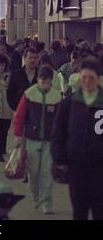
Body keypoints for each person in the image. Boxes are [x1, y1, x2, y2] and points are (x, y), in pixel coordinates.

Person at [51, 59, 103, 220]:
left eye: (91, 77)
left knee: (100, 210)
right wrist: (59, 158)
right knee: (79, 210)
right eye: (84, 77)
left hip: (100, 168)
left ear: (99, 78)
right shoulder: (70, 102)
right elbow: (58, 132)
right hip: (76, 166)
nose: (87, 81)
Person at [14, 65, 62, 215]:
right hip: (31, 139)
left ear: (52, 81)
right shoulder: (29, 94)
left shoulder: (57, 97)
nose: (46, 85)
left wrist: (60, 139)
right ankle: (35, 196)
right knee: (33, 172)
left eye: (48, 82)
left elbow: (61, 120)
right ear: (38, 79)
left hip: (49, 140)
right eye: (43, 82)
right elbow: (20, 116)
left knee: (46, 172)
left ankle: (46, 202)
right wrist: (17, 135)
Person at [7, 47, 39, 111]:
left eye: (35, 58)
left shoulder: (42, 75)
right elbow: (10, 95)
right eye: (30, 58)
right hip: (20, 111)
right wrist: (17, 108)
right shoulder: (15, 75)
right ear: (25, 59)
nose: (33, 60)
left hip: (37, 113)